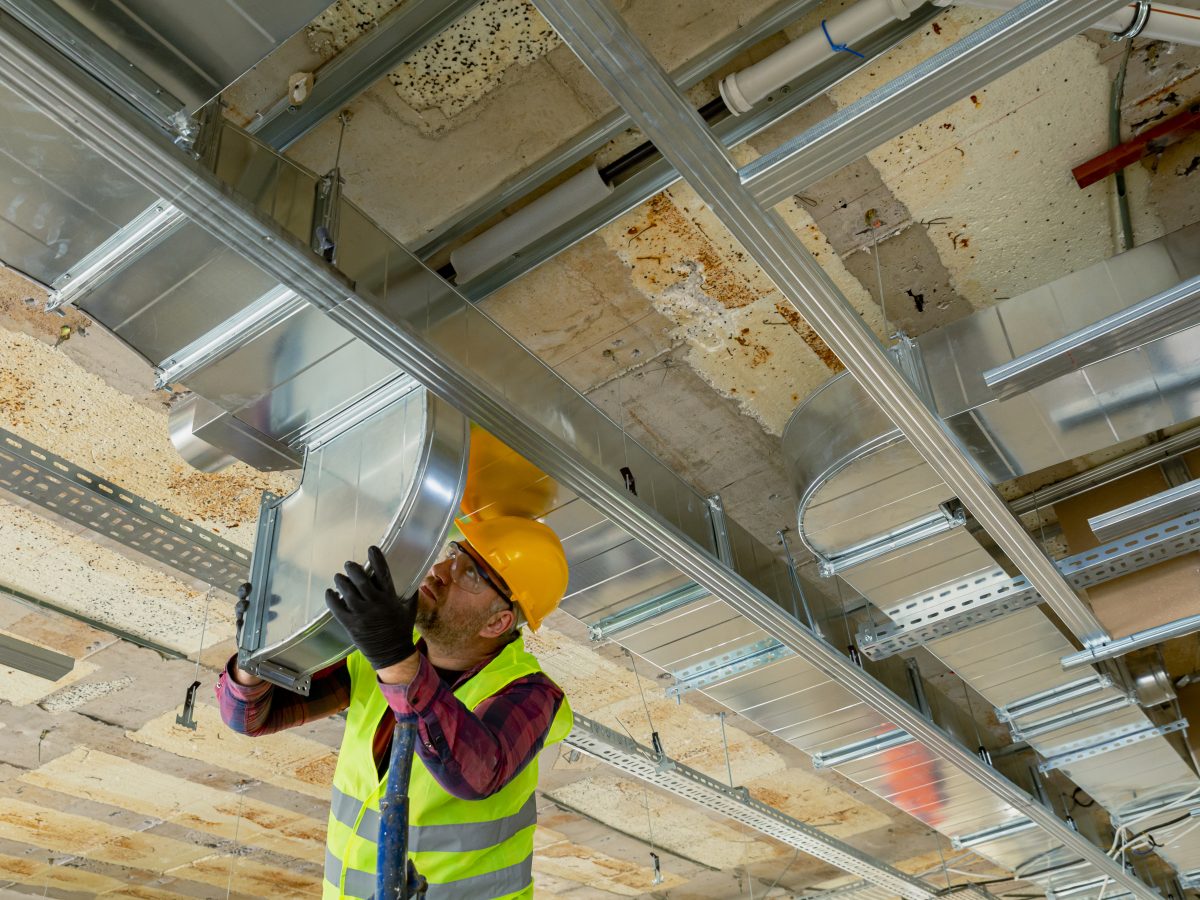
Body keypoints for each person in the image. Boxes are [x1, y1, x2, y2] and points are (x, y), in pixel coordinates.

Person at [216, 515, 573, 900]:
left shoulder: (532, 693)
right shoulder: (385, 654)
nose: (440, 572)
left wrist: (394, 657)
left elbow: (474, 773)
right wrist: (257, 657)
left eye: (469, 574)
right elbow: (252, 717)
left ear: (498, 621)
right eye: (453, 555)